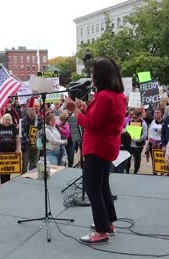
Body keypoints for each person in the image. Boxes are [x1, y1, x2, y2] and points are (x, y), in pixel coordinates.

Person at [66, 57, 126, 244]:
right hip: (107, 147)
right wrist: (85, 108)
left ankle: (101, 231)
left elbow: (92, 124)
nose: (91, 76)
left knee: (93, 190)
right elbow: (100, 119)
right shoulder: (118, 96)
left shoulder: (104, 96)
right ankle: (108, 223)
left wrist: (75, 110)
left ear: (100, 75)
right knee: (103, 186)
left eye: (93, 73)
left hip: (97, 148)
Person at [0, 114, 20, 183]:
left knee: (9, 169)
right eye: (6, 119)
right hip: (1, 151)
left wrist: (17, 149)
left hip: (11, 151)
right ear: (3, 119)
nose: (8, 121)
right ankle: (3, 183)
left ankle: (7, 182)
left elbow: (17, 138)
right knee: (2, 170)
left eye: (9, 119)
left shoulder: (13, 127)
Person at [20, 107, 44, 173]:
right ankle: (23, 177)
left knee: (34, 163)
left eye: (33, 117)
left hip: (36, 143)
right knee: (25, 162)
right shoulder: (24, 120)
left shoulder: (39, 119)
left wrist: (36, 142)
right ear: (28, 114)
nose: (31, 118)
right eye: (30, 116)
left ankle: (33, 175)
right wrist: (31, 142)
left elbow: (41, 131)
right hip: (26, 144)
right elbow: (24, 133)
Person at [126, 110, 147, 174]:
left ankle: (136, 171)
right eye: (133, 117)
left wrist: (136, 139)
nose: (134, 119)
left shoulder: (143, 123)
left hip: (138, 145)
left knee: (137, 159)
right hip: (130, 144)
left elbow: (144, 135)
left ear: (139, 117)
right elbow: (126, 131)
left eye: (136, 117)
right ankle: (127, 171)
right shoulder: (129, 122)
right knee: (128, 159)